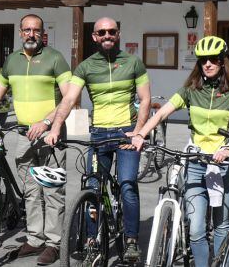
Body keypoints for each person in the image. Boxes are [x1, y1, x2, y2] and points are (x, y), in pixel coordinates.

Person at [0, 14, 72, 266]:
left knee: (52, 191)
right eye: (27, 30)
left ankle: (53, 243)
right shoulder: (12, 60)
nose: (31, 34)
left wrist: (46, 122)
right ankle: (34, 237)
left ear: (42, 34)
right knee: (31, 190)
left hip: (50, 134)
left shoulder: (55, 58)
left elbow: (69, 98)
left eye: (36, 30)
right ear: (20, 33)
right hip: (23, 135)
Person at [131, 36, 229, 267]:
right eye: (203, 60)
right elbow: (162, 113)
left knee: (222, 224)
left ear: (223, 62)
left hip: (225, 165)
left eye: (214, 59)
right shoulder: (190, 90)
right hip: (196, 162)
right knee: (196, 229)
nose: (208, 64)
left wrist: (228, 148)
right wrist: (140, 134)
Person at [44, 17, 152, 263]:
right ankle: (93, 239)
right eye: (101, 32)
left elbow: (145, 99)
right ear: (94, 36)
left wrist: (138, 132)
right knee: (92, 187)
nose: (107, 35)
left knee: (127, 186)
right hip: (100, 134)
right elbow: (69, 99)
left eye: (111, 31)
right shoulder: (85, 67)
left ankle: (131, 241)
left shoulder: (134, 62)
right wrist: (56, 126)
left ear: (118, 34)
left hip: (126, 133)